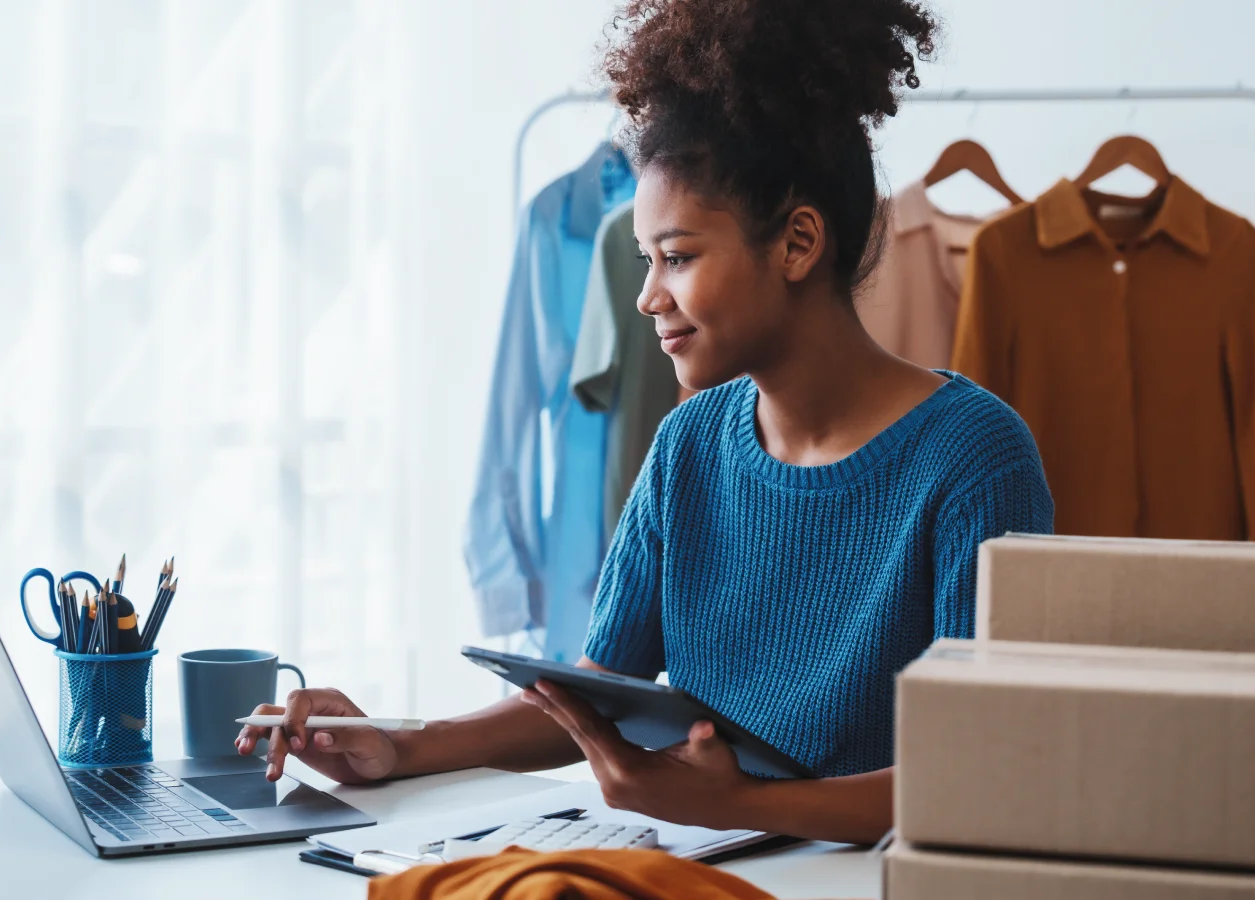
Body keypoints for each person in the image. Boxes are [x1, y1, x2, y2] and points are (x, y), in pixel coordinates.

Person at [238, 0, 1053, 844]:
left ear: (799, 243)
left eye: (679, 256)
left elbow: (972, 771)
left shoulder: (975, 460)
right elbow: (595, 689)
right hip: (699, 864)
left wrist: (736, 808)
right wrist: (399, 746)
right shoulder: (689, 445)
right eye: (645, 259)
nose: (646, 296)